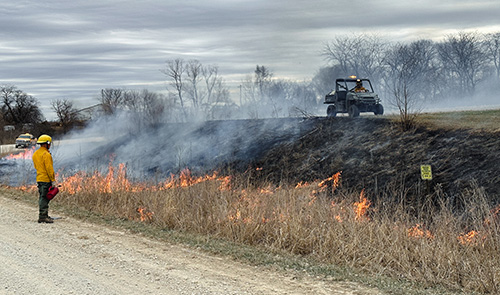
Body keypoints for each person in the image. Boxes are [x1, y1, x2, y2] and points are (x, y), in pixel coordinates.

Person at [32, 134, 56, 223]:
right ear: (46, 144)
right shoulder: (46, 154)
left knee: (43, 196)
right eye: (49, 144)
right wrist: (52, 180)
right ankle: (42, 216)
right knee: (44, 197)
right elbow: (49, 169)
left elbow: (36, 166)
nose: (50, 146)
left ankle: (44, 214)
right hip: (46, 179)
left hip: (39, 178)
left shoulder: (36, 154)